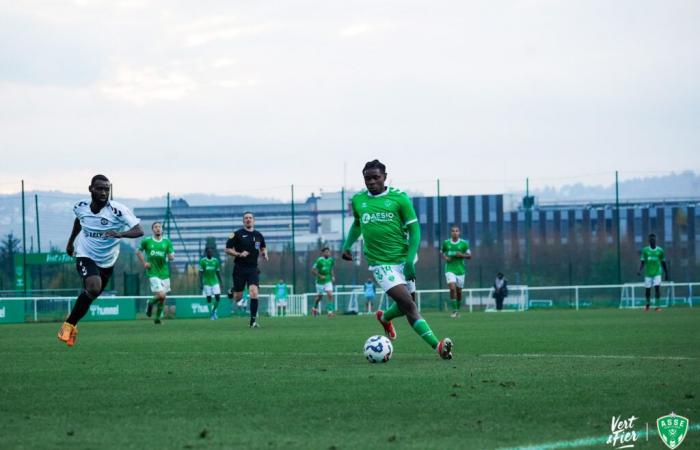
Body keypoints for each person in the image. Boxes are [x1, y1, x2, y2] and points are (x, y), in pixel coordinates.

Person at [342, 159, 453, 360]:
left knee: (409, 304)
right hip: (380, 264)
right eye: (368, 178)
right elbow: (357, 224)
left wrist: (410, 260)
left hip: (403, 260)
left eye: (376, 177)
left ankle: (384, 317)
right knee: (410, 306)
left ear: (385, 177)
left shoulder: (400, 198)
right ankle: (438, 347)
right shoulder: (358, 200)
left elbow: (415, 229)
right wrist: (347, 245)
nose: (372, 182)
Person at [58, 175, 143, 346]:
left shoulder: (118, 211)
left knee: (91, 294)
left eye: (107, 189)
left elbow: (139, 230)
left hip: (107, 262)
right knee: (93, 287)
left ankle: (73, 324)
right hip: (85, 254)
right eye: (100, 188)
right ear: (91, 189)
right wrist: (70, 242)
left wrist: (121, 234)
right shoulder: (80, 207)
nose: (104, 192)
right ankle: (68, 325)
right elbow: (79, 221)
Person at [225, 212, 268, 328]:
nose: (248, 220)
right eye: (246, 218)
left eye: (250, 218)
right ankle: (233, 290)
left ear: (254, 220)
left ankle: (253, 321)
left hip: (253, 269)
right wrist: (239, 254)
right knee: (238, 297)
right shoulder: (236, 234)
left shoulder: (259, 235)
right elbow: (227, 249)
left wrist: (264, 253)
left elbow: (263, 247)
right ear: (243, 221)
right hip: (239, 268)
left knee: (254, 292)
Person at [137, 222, 175, 324]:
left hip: (164, 273)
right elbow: (138, 251)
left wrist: (171, 256)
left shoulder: (167, 242)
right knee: (161, 295)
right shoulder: (147, 241)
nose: (158, 229)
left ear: (161, 229)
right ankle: (150, 302)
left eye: (159, 227)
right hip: (153, 272)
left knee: (163, 298)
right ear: (152, 230)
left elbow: (171, 255)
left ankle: (157, 319)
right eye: (155, 227)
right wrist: (144, 263)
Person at [441, 225, 471, 318]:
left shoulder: (464, 244)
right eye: (453, 231)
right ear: (451, 233)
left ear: (459, 232)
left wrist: (462, 255)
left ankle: (457, 310)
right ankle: (454, 311)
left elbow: (469, 256)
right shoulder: (446, 243)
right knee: (452, 288)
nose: (455, 232)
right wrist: (446, 258)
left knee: (459, 292)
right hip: (449, 269)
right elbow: (442, 252)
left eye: (457, 231)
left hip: (460, 271)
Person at [637, 233, 669, 311]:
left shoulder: (660, 250)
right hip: (648, 273)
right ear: (649, 241)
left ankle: (657, 307)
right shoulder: (645, 250)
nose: (652, 240)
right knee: (647, 290)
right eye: (651, 239)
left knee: (657, 288)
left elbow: (663, 262)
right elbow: (642, 261)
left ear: (655, 240)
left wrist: (666, 273)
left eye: (653, 239)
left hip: (657, 273)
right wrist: (639, 270)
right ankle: (647, 305)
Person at [199, 247, 223, 320]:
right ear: (206, 253)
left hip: (215, 282)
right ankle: (212, 314)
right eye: (209, 252)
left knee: (218, 297)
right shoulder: (203, 261)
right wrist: (201, 283)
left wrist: (221, 282)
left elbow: (218, 272)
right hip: (207, 283)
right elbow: (200, 273)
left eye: (211, 252)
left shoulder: (215, 261)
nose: (210, 253)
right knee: (209, 299)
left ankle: (213, 311)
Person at [311, 246, 336, 317]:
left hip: (328, 280)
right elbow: (313, 270)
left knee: (330, 295)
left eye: (328, 252)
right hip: (320, 282)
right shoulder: (319, 260)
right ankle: (314, 308)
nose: (328, 253)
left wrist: (333, 276)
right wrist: (320, 276)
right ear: (323, 253)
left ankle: (330, 312)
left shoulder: (331, 260)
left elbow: (331, 269)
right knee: (319, 298)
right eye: (326, 252)